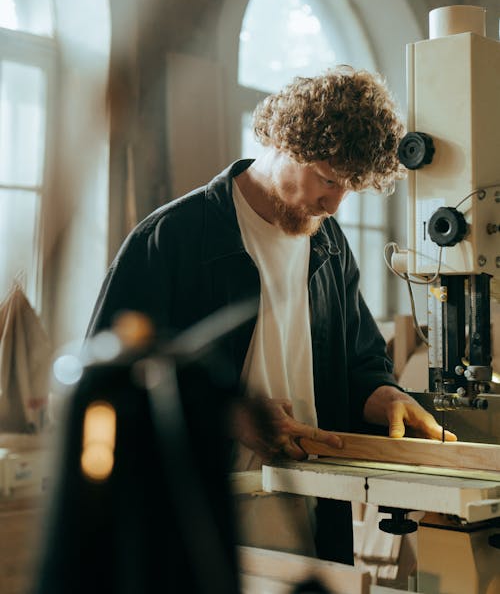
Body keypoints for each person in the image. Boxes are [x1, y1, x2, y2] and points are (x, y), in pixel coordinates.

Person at [87, 65, 455, 564]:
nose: (335, 203)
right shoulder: (171, 237)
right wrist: (230, 415)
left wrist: (384, 395)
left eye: (350, 188)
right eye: (328, 179)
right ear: (285, 139)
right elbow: (110, 385)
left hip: (311, 510)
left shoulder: (328, 241)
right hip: (200, 518)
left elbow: (360, 359)